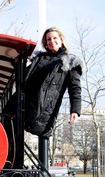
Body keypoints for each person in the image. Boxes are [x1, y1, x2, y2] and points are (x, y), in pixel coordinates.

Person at [24, 27, 84, 169]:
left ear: (61, 39)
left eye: (54, 38)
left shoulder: (70, 62)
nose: (51, 41)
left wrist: (75, 110)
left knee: (42, 133)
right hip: (26, 102)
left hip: (46, 107)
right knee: (11, 125)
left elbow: (75, 88)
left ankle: (43, 172)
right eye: (48, 39)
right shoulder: (39, 58)